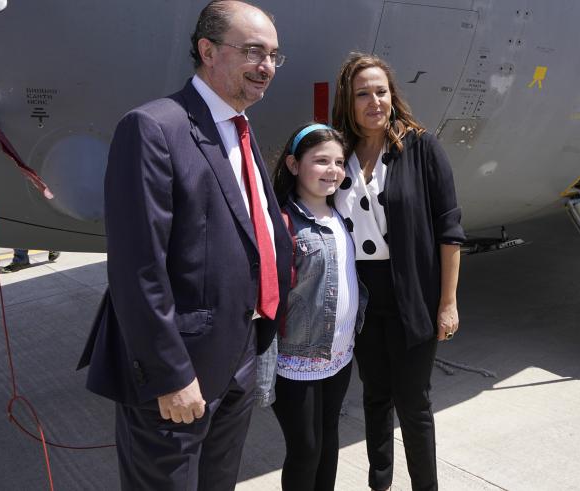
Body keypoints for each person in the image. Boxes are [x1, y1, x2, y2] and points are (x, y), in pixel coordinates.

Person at [76, 2, 292, 489]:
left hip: (237, 358)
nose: (267, 67)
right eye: (254, 51)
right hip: (179, 377)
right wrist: (170, 374)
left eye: (275, 56)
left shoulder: (239, 128)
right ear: (207, 51)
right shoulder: (154, 128)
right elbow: (137, 268)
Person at [332, 52, 464, 491]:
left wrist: (447, 303)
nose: (374, 102)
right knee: (374, 395)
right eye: (362, 94)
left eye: (381, 92)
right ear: (348, 103)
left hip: (412, 295)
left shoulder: (421, 146)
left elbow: (450, 229)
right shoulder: (340, 155)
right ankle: (380, 483)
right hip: (363, 297)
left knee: (413, 402)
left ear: (393, 96)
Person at [269, 123, 368, 491]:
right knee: (306, 449)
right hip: (297, 359)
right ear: (294, 165)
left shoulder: (342, 213)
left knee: (328, 440)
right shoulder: (282, 222)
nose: (333, 170)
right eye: (321, 160)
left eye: (339, 162)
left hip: (339, 354)